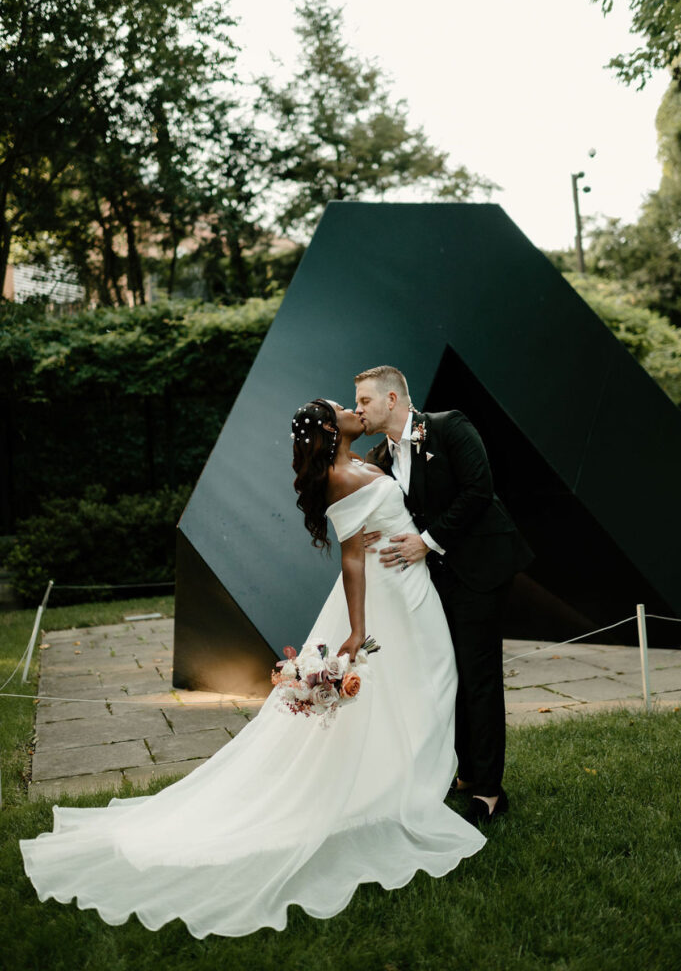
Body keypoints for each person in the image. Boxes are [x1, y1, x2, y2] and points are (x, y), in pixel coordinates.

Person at [20, 398, 484, 939]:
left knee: (428, 683)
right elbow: (352, 556)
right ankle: (406, 790)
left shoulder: (366, 458)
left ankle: (408, 780)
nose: (355, 410)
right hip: (385, 597)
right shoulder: (338, 477)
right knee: (420, 684)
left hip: (410, 585)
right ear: (332, 429)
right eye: (344, 408)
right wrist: (356, 631)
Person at [354, 366, 533, 825]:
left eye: (364, 402)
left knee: (479, 678)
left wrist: (426, 541)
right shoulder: (379, 456)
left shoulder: (449, 426)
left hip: (482, 568)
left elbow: (479, 491)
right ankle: (467, 774)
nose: (359, 410)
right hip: (436, 581)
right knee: (448, 678)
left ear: (392, 399)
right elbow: (387, 511)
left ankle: (490, 792)